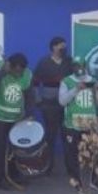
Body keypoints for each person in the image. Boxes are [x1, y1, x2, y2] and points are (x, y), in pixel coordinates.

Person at [0, 53, 34, 190]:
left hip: (16, 118)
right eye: (15, 70)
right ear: (9, 66)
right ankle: (1, 179)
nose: (18, 73)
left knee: (15, 148)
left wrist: (30, 114)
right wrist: (2, 72)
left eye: (21, 71)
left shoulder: (28, 74)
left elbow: (30, 96)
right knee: (0, 149)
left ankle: (15, 175)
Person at [58, 56, 98, 194]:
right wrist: (75, 89)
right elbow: (62, 101)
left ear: (86, 66)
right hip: (72, 124)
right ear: (72, 67)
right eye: (76, 66)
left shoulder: (93, 80)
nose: (79, 69)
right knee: (72, 153)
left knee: (94, 152)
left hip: (90, 124)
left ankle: (94, 180)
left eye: (81, 66)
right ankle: (75, 179)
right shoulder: (67, 81)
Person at [32, 37, 73, 175]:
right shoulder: (44, 63)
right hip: (49, 104)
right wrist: (39, 101)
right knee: (50, 136)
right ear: (54, 47)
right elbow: (35, 83)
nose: (64, 48)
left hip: (67, 103)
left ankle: (71, 167)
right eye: (62, 46)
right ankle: (48, 166)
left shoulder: (69, 62)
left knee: (67, 135)